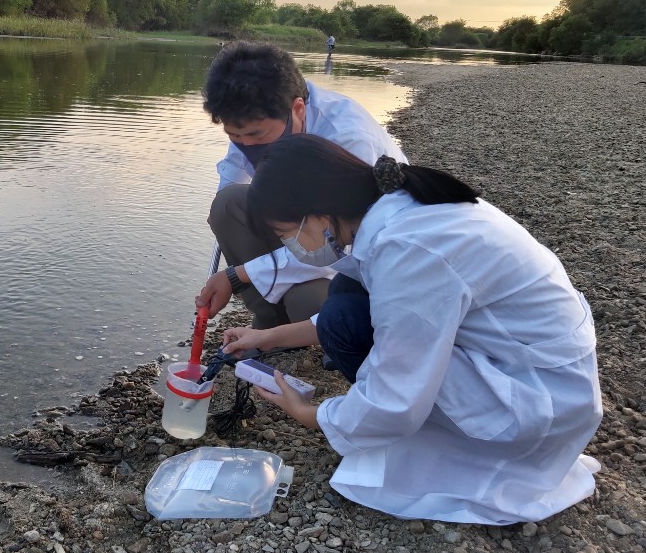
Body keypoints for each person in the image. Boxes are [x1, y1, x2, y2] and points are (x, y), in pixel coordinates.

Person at [221, 134, 603, 525]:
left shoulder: (406, 248)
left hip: (537, 404)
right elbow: (393, 316)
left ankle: (435, 448)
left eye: (286, 233)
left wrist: (314, 415)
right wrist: (266, 338)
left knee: (345, 313)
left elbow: (396, 394)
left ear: (319, 215)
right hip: (539, 368)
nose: (290, 245)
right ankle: (375, 422)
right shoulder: (401, 208)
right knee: (347, 289)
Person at [198, 41, 406, 331]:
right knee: (227, 205)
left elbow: (338, 248)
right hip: (309, 233)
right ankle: (267, 321)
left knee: (308, 302)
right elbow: (234, 173)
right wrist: (223, 226)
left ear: (297, 110)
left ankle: (309, 332)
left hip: (355, 261)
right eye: (235, 136)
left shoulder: (348, 141)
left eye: (256, 136)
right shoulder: (256, 118)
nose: (247, 146)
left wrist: (236, 276)